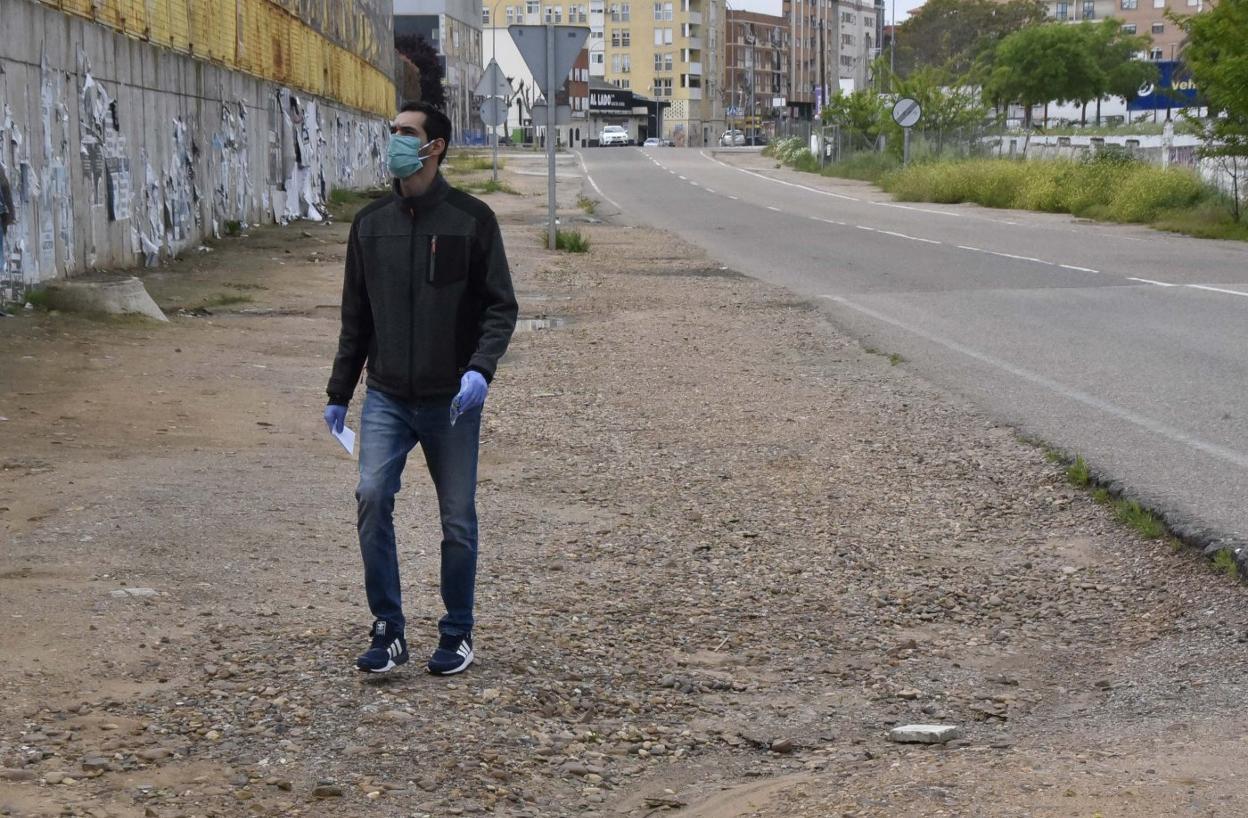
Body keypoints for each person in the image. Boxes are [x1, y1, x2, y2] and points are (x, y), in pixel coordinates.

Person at [324, 102, 517, 675]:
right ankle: (389, 629)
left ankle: (457, 631)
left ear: (435, 147)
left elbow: (500, 307)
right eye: (391, 132)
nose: (394, 141)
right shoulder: (369, 224)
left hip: (450, 400)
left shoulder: (472, 220)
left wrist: (481, 368)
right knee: (371, 497)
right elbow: (355, 317)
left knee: (457, 517)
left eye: (406, 133)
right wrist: (339, 392)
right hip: (386, 395)